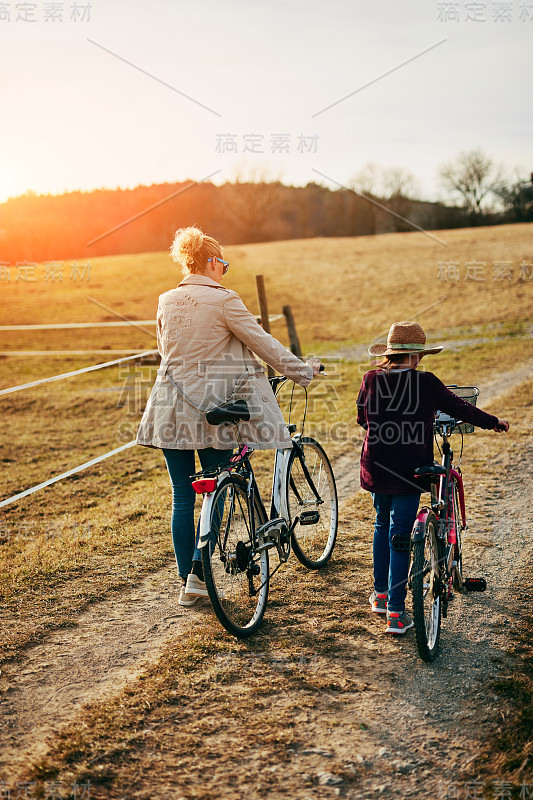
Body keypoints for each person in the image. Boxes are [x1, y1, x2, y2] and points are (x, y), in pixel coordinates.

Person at [137, 226, 322, 607]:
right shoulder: (224, 300)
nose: (225, 270)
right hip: (213, 409)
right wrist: (302, 371)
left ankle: (188, 579)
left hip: (169, 406)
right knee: (215, 488)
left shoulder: (166, 300)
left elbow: (167, 351)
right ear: (208, 262)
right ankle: (199, 573)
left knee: (181, 497)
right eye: (223, 263)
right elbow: (263, 343)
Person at [356, 321, 509, 634]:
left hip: (375, 467)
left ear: (390, 354)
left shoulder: (370, 379)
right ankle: (396, 615)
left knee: (381, 525)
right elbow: (461, 408)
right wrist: (492, 422)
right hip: (409, 471)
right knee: (400, 536)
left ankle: (381, 596)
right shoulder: (426, 383)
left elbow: (362, 418)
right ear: (415, 357)